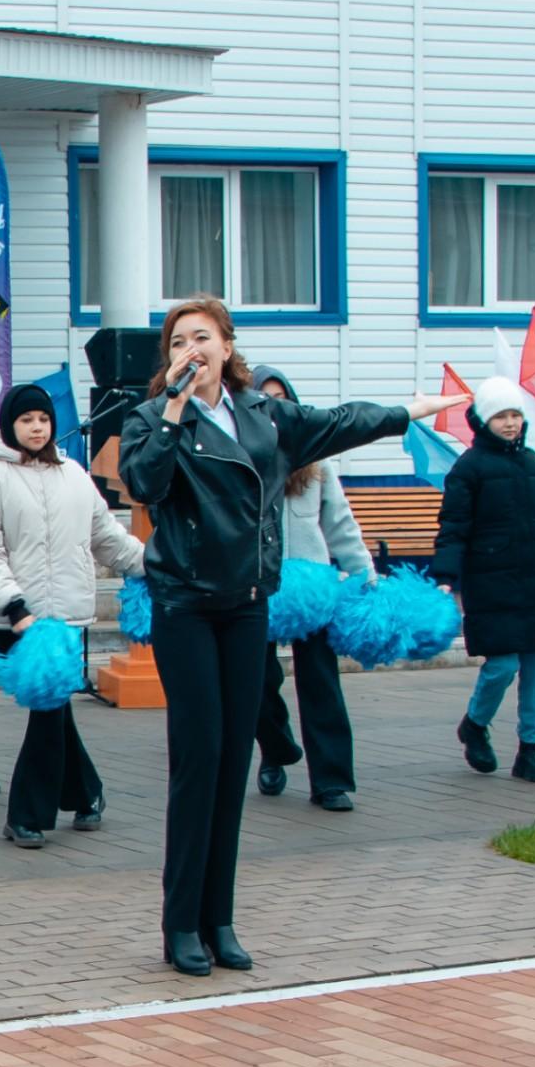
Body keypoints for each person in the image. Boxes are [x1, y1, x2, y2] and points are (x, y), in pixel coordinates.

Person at [118, 299, 457, 976]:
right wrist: (175, 413)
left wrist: (408, 411)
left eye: (202, 337)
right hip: (185, 605)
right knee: (199, 757)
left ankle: (219, 919)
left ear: (226, 346)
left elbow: (338, 423)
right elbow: (143, 483)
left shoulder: (262, 416)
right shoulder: (152, 419)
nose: (191, 348)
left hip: (246, 605)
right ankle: (179, 923)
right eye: (179, 341)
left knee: (234, 762)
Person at [0, 381, 142, 848]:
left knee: (54, 711)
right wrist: (14, 606)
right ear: (9, 426)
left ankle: (86, 793)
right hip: (22, 620)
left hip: (70, 617)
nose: (36, 427)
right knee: (48, 712)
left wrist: (156, 564)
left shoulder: (75, 474)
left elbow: (107, 537)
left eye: (43, 419)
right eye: (26, 420)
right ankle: (27, 815)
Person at [436, 378, 535, 788]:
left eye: (515, 415)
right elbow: (454, 528)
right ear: (483, 421)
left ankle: (530, 749)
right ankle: (475, 724)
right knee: (502, 665)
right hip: (491, 582)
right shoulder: (468, 469)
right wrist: (445, 579)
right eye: (501, 416)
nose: (510, 423)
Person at [247, 370, 369, 814]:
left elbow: (340, 526)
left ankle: (331, 780)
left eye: (282, 399)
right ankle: (276, 747)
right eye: (264, 398)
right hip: (256, 587)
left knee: (321, 684)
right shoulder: (238, 458)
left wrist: (363, 576)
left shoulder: (318, 464)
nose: (274, 407)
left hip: (312, 591)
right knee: (256, 684)